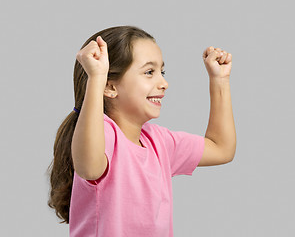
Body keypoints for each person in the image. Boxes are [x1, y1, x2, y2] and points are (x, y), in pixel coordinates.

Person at [48, 25, 236, 237]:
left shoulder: (159, 142)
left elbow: (221, 148)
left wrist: (219, 80)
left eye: (161, 72)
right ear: (110, 87)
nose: (164, 83)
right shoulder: (105, 135)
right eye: (149, 72)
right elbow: (89, 168)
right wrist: (96, 79)